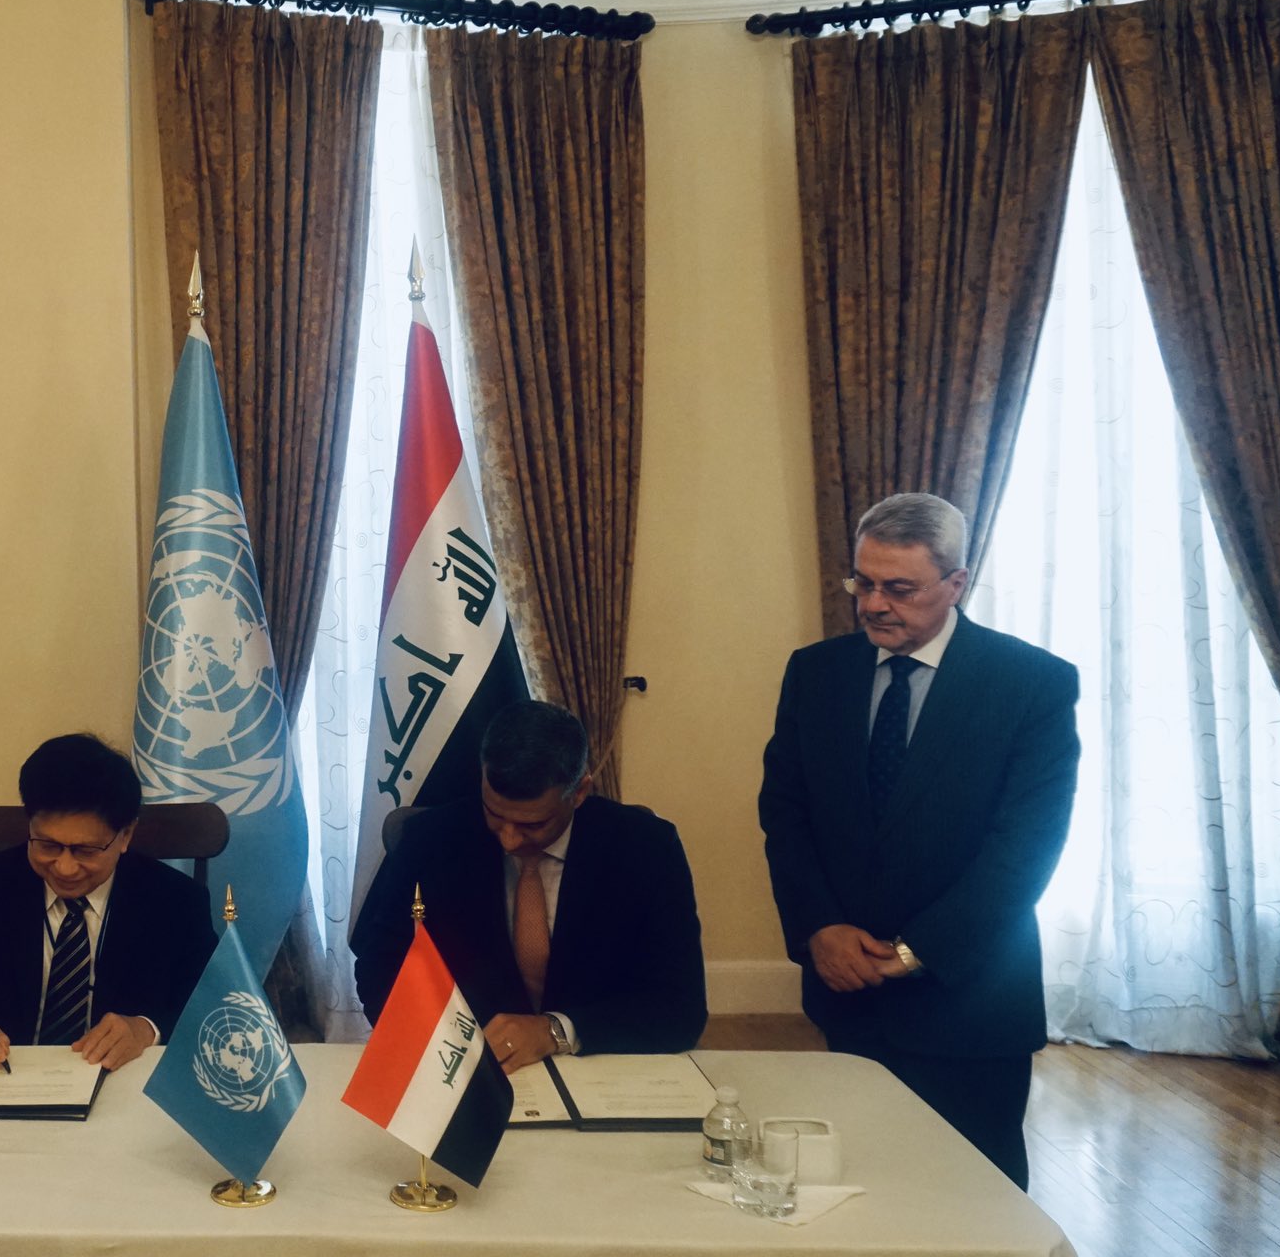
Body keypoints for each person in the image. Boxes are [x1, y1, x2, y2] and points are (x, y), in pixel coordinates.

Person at [758, 492, 1080, 1190]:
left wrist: (916, 951)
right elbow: (785, 814)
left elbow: (1026, 846)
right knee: (856, 1189)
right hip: (847, 993)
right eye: (862, 582)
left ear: (956, 583)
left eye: (898, 588)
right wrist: (819, 927)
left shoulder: (1032, 683)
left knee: (974, 1196)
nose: (873, 604)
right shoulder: (816, 673)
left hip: (972, 997)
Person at [352, 701, 708, 1072]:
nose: (508, 840)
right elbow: (380, 971)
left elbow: (680, 1008)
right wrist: (455, 1043)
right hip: (471, 1068)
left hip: (598, 1065)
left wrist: (556, 1031)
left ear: (580, 792)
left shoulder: (646, 848)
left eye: (532, 825)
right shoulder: (431, 839)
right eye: (494, 814)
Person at [0, 733, 217, 1073]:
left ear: (125, 835)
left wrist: (145, 1029)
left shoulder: (176, 901)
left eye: (86, 850)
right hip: (7, 1078)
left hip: (120, 1078)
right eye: (48, 846)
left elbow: (212, 1005)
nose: (65, 868)